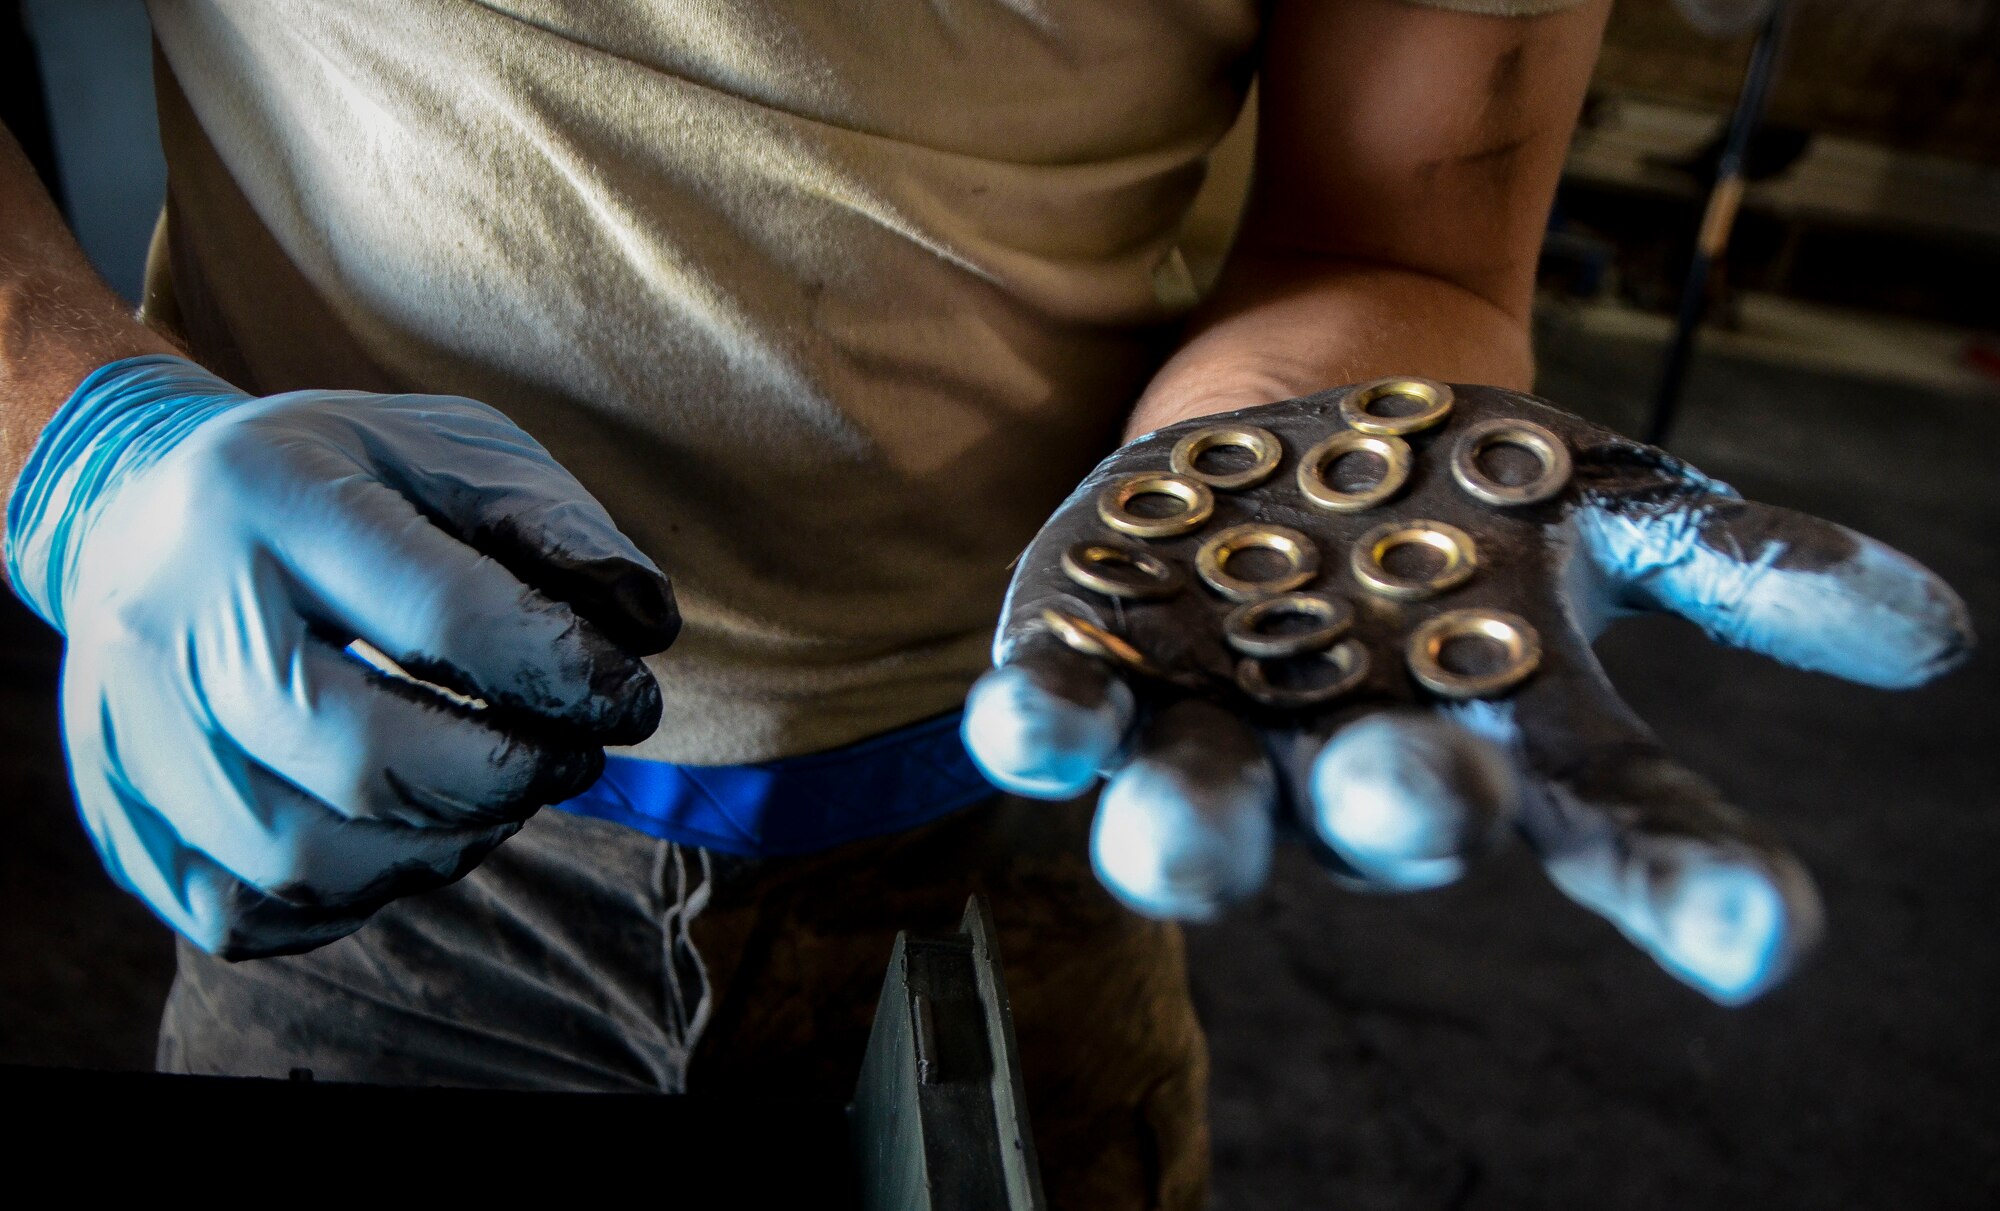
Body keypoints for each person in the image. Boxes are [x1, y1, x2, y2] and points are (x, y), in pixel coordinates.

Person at [0, 2, 1968, 1207]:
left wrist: (1279, 464)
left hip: (1020, 812)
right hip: (361, 807)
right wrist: (78, 444)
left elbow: (1396, 220)